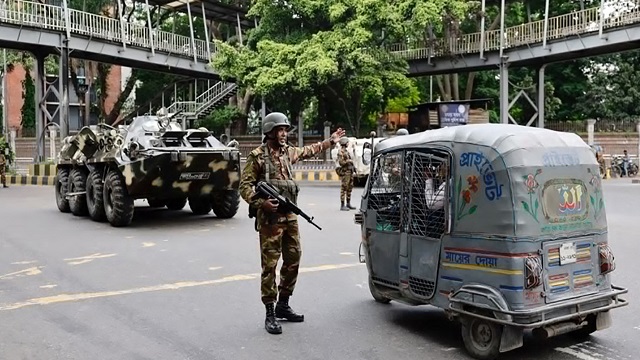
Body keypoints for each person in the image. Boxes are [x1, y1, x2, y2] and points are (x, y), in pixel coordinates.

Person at [239, 112, 345, 335]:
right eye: (280, 130)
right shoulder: (257, 157)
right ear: (269, 132)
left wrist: (331, 141)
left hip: (289, 217)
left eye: (286, 130)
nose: (284, 134)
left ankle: (283, 305)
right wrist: (261, 203)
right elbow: (245, 187)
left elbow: (309, 150)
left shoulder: (288, 153)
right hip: (270, 219)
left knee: (293, 258)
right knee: (270, 265)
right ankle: (270, 312)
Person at [337, 137, 355, 211]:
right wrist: (348, 161)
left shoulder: (346, 151)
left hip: (350, 171)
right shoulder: (340, 152)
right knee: (344, 188)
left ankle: (348, 203)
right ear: (344, 143)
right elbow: (341, 163)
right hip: (345, 172)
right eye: (347, 142)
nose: (348, 143)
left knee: (349, 188)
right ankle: (342, 205)